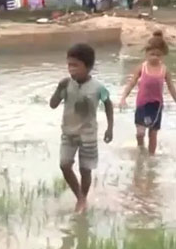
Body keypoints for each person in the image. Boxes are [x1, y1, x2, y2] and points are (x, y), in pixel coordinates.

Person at [50, 43, 114, 213]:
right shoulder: (67, 85)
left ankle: (82, 198)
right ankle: (80, 196)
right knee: (64, 164)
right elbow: (53, 105)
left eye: (75, 65)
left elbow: (108, 104)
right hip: (69, 133)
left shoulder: (98, 88)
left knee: (85, 170)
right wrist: (59, 88)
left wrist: (110, 128)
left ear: (88, 66)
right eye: (69, 65)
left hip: (88, 135)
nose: (71, 69)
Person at [119, 30, 176, 155]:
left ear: (163, 55)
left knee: (153, 133)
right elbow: (132, 83)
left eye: (158, 55)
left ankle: (151, 157)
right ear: (146, 53)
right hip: (142, 105)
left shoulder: (164, 70)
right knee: (140, 133)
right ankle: (140, 148)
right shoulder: (142, 67)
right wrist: (123, 97)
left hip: (156, 106)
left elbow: (171, 88)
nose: (155, 57)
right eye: (152, 54)